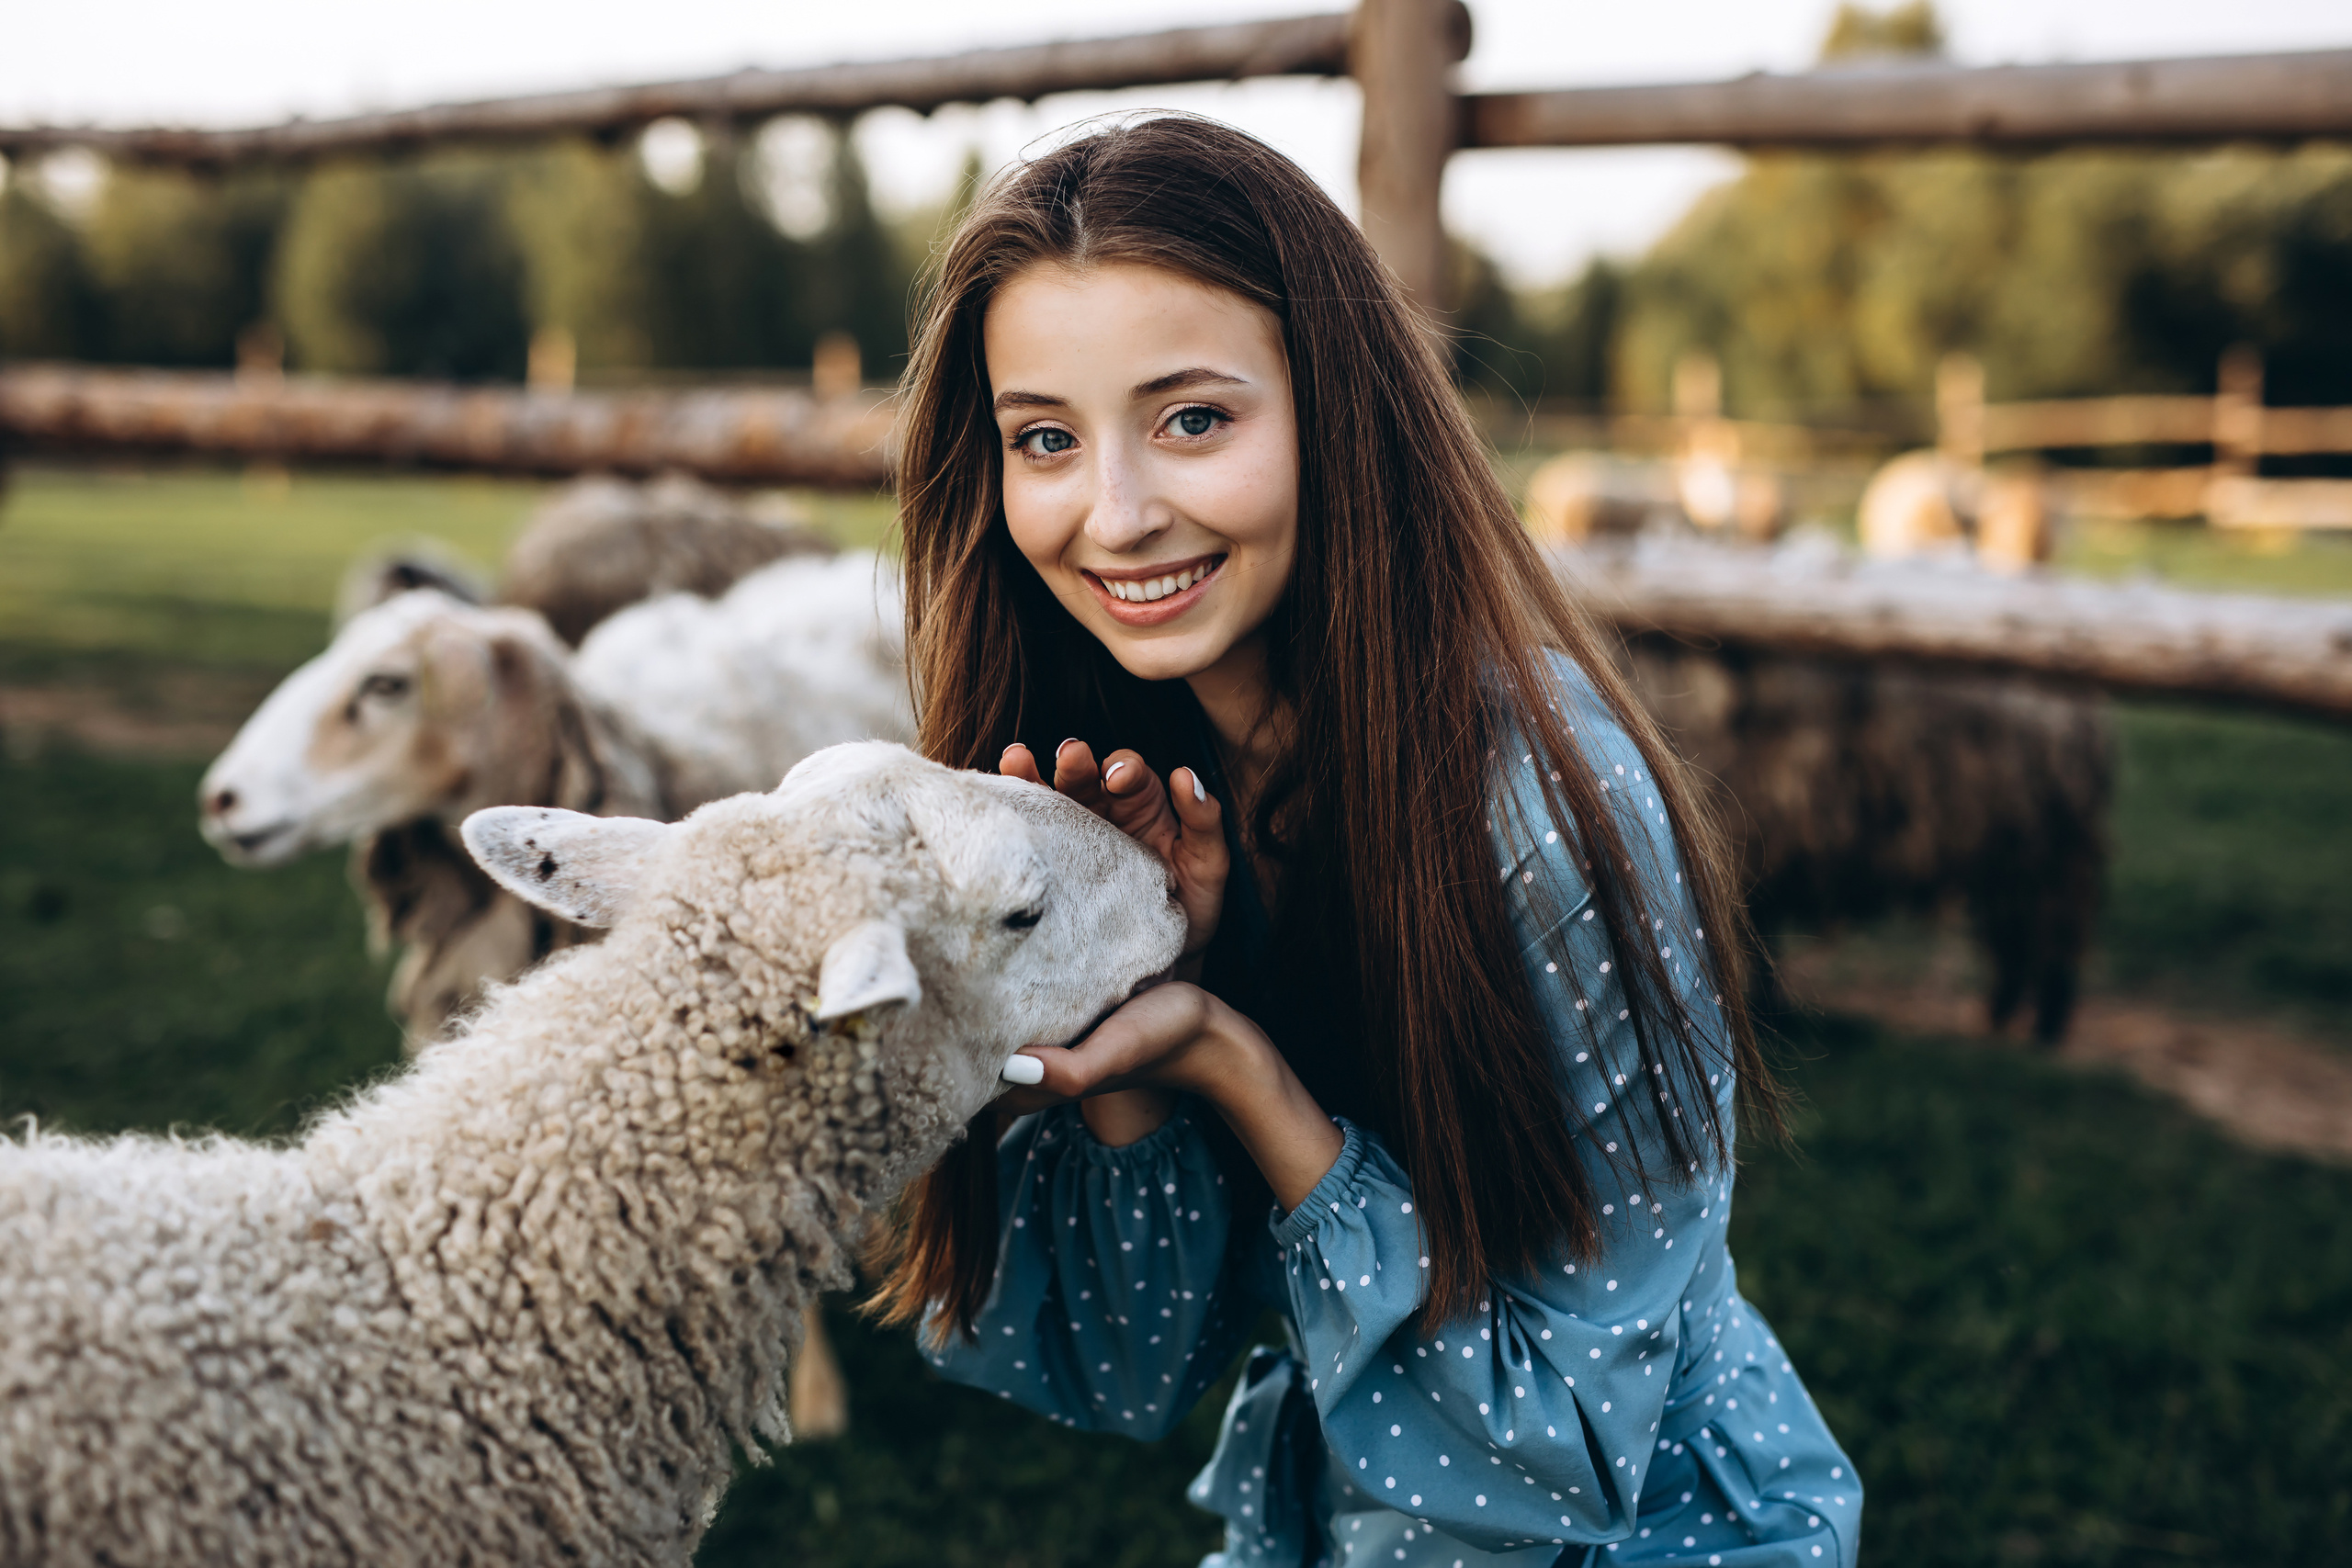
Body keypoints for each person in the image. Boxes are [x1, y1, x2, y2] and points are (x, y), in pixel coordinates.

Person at [868, 114, 1860, 1568]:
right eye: (1045, 440)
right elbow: (1126, 1367)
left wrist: (1239, 1068)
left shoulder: (1537, 808)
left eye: (1194, 419)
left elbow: (1570, 1442)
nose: (1118, 515)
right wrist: (1128, 991)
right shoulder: (1132, 778)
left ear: (1335, 409)